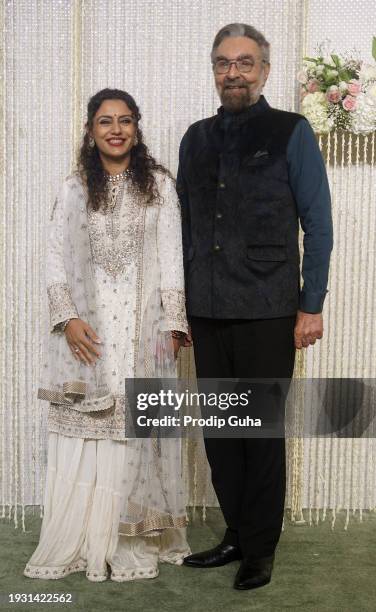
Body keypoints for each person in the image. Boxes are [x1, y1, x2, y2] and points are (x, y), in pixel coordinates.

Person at [177, 24, 333, 590]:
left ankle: (260, 549)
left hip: (270, 306)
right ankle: (236, 534)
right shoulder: (194, 138)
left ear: (264, 70)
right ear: (213, 70)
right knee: (221, 434)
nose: (233, 73)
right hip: (207, 309)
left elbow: (318, 222)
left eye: (245, 63)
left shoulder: (292, 130)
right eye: (223, 63)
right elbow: (185, 226)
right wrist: (178, 309)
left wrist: (310, 304)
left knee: (260, 432)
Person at [24, 88, 190, 582]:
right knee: (90, 429)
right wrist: (68, 319)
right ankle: (80, 536)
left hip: (144, 326)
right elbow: (55, 259)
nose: (115, 130)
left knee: (136, 428)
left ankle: (129, 539)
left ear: (137, 128)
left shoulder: (159, 185)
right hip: (90, 332)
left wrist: (174, 323)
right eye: (104, 122)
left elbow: (172, 258)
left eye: (124, 121)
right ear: (90, 131)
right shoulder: (75, 187)